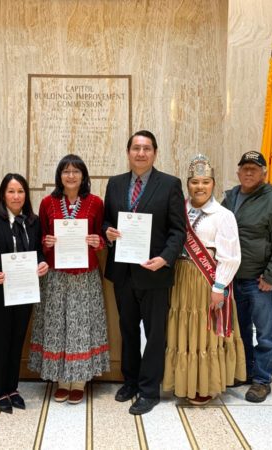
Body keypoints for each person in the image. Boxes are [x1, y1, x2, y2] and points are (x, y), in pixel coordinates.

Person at [103, 130, 186, 415]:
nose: (141, 153)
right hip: (123, 272)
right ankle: (131, 381)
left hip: (154, 273)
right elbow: (105, 221)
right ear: (128, 152)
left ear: (155, 152)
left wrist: (165, 258)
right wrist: (107, 232)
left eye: (146, 148)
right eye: (136, 148)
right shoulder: (114, 184)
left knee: (154, 334)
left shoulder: (170, 184)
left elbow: (178, 230)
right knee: (127, 330)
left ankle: (149, 390)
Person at [163, 154, 246, 405]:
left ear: (213, 184)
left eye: (206, 182)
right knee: (182, 328)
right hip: (180, 276)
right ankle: (181, 380)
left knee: (205, 329)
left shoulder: (223, 215)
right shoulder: (179, 211)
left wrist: (219, 286)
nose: (200, 187)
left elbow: (231, 256)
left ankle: (204, 383)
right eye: (195, 182)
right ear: (187, 184)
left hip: (206, 279)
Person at [28, 154, 110, 405]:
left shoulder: (95, 203)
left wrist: (98, 242)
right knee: (56, 324)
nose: (71, 175)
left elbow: (101, 236)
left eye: (76, 171)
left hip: (85, 275)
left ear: (84, 176)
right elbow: (39, 237)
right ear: (59, 176)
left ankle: (80, 380)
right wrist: (46, 241)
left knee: (82, 324)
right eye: (66, 171)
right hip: (55, 274)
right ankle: (61, 380)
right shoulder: (47, 203)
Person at [222, 151, 272, 403]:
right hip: (233, 279)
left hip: (260, 281)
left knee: (265, 334)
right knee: (240, 331)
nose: (249, 172)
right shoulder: (230, 197)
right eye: (245, 168)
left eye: (255, 168)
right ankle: (246, 371)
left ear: (264, 173)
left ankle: (262, 380)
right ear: (238, 171)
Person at [0, 173, 48, 414]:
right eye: (11, 191)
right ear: (3, 195)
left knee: (16, 342)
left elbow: (37, 252)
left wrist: (42, 264)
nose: (16, 196)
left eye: (20, 191)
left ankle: (12, 389)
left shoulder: (33, 222)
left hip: (24, 293)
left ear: (26, 195)